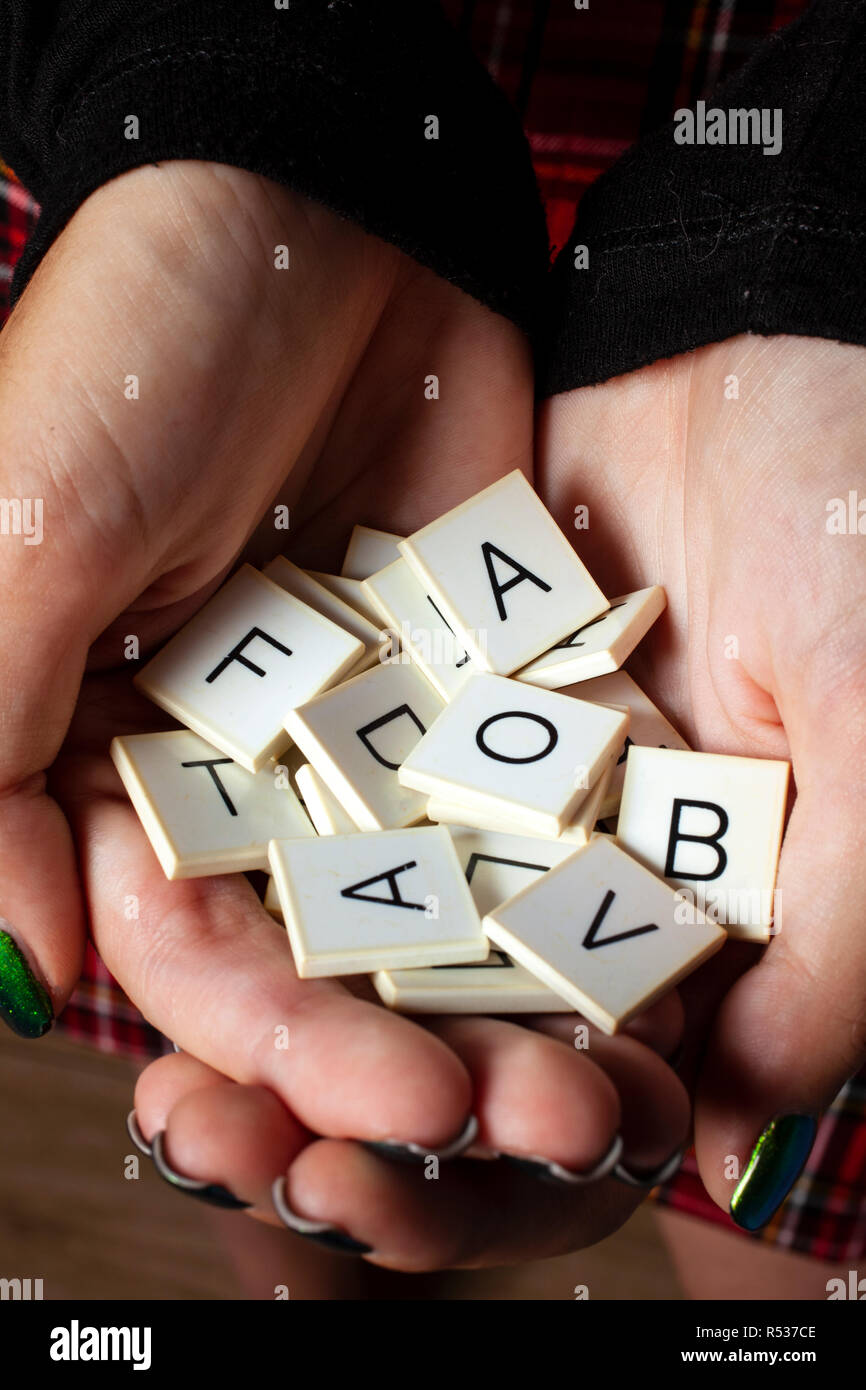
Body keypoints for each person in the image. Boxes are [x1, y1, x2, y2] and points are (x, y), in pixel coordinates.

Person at [0, 0, 863, 1292]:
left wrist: (827, 242)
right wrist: (226, 85)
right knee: (288, 1094)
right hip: (163, 143)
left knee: (758, 1219)